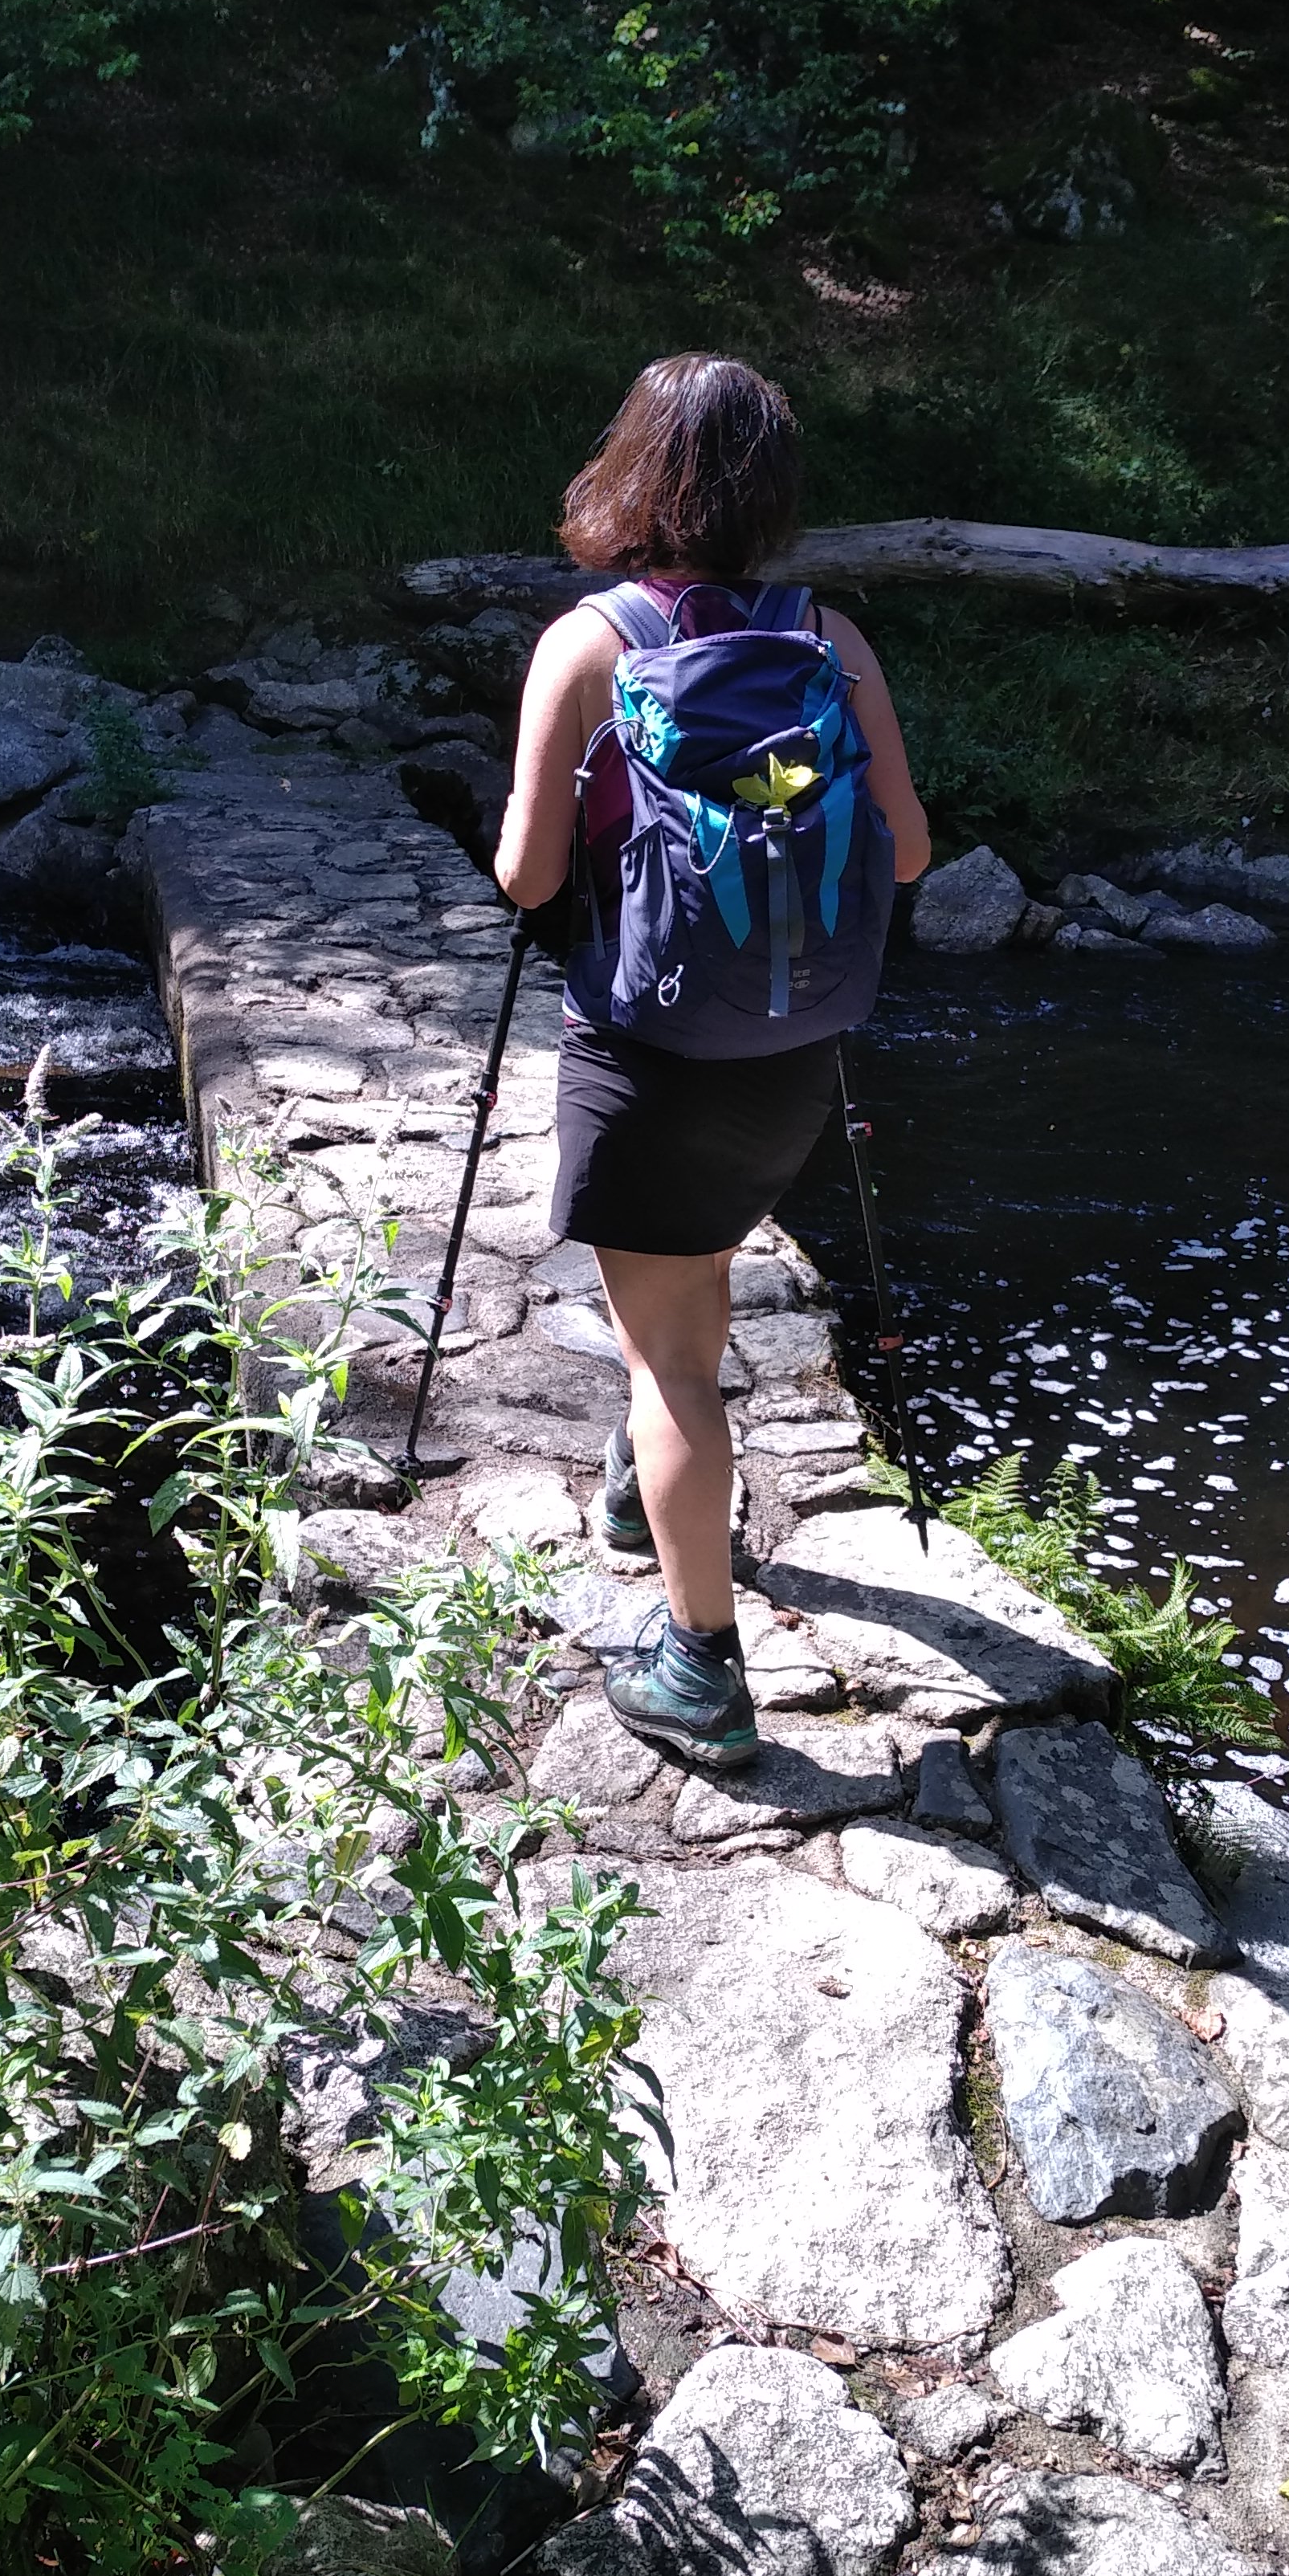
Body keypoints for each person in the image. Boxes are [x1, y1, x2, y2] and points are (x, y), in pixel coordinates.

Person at [495, 353, 932, 1767]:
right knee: (695, 1288)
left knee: (671, 1358)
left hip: (646, 1048)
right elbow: (909, 853)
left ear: (628, 471)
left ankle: (701, 1667)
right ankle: (647, 1490)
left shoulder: (590, 645)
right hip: (794, 1044)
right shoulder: (832, 641)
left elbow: (525, 876)